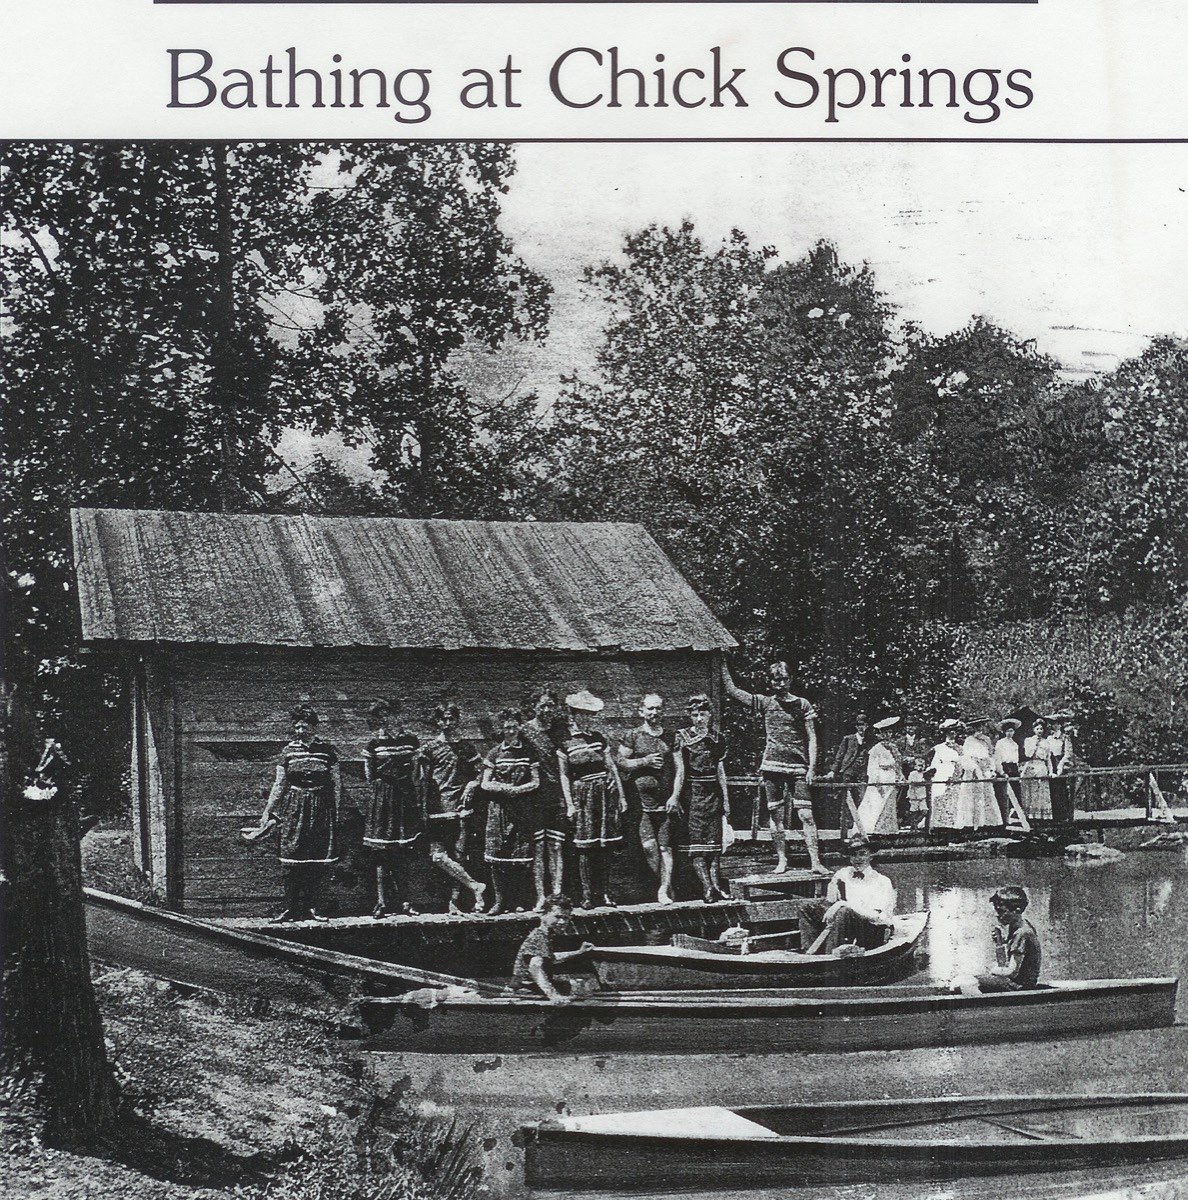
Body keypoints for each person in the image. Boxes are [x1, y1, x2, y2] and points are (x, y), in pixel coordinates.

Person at [721, 660, 824, 875]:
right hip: (771, 766)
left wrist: (812, 767)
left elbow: (812, 738)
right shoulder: (765, 703)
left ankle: (815, 861)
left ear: (791, 679)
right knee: (775, 817)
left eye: (784, 679)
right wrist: (721, 659)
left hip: (798, 767)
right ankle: (782, 860)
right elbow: (732, 690)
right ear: (771, 681)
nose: (781, 683)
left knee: (806, 815)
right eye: (776, 680)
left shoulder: (802, 704)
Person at [256, 705, 340, 923]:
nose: (300, 731)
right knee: (291, 856)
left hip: (320, 807)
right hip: (294, 807)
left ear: (314, 726)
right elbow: (279, 784)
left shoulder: (327, 751)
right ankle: (290, 908)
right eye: (297, 727)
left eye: (304, 726)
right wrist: (268, 811)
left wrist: (335, 811)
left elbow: (336, 784)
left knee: (316, 858)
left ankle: (314, 908)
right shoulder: (288, 751)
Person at [559, 690, 627, 910]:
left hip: (604, 794)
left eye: (589, 715)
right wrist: (569, 803)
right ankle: (588, 895)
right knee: (585, 846)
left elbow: (611, 767)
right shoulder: (566, 742)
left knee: (605, 844)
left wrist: (621, 795)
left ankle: (605, 892)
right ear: (574, 715)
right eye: (582, 714)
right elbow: (564, 775)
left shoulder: (599, 738)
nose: (586, 718)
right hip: (582, 795)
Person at [419, 704, 488, 915]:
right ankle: (476, 886)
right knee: (438, 857)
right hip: (437, 809)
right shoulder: (429, 749)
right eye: (443, 719)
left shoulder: (466, 748)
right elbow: (422, 781)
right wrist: (422, 807)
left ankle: (454, 903)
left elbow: (482, 771)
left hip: (461, 810)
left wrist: (472, 784)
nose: (448, 723)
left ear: (457, 721)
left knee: (458, 856)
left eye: (451, 719)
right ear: (437, 722)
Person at [361, 699, 423, 918]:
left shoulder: (411, 741)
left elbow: (416, 772)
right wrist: (383, 791)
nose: (387, 721)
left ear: (399, 717)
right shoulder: (374, 743)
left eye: (391, 716)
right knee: (381, 853)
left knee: (404, 852)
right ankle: (381, 903)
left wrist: (411, 794)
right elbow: (369, 775)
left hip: (404, 798)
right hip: (383, 798)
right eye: (382, 717)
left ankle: (407, 902)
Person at [617, 693, 679, 905]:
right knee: (649, 847)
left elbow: (680, 769)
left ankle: (663, 889)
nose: (654, 713)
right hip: (641, 803)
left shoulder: (671, 737)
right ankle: (666, 884)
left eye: (658, 708)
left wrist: (675, 796)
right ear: (641, 711)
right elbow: (620, 761)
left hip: (666, 802)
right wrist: (644, 761)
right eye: (650, 709)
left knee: (665, 847)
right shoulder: (633, 736)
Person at [672, 693, 731, 904]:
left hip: (713, 793)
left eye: (703, 714)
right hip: (692, 794)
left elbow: (721, 771)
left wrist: (726, 799)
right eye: (695, 715)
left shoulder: (718, 738)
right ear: (690, 715)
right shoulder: (682, 737)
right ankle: (707, 888)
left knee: (714, 847)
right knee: (696, 846)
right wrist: (676, 797)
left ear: (709, 715)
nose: (699, 719)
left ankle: (716, 887)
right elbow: (680, 771)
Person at [482, 707, 541, 915]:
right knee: (497, 857)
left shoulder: (529, 752)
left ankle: (518, 901)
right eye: (506, 728)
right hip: (499, 809)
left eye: (514, 727)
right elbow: (484, 784)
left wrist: (519, 790)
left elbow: (536, 782)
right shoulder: (495, 752)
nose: (510, 731)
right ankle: (499, 902)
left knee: (521, 857)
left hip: (522, 808)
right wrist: (503, 788)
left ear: (519, 727)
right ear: (501, 729)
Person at [798, 836, 896, 954]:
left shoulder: (882, 881)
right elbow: (831, 900)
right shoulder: (843, 874)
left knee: (844, 911)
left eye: (862, 854)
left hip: (873, 929)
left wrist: (842, 904)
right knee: (806, 907)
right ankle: (810, 952)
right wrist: (834, 886)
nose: (858, 858)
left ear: (871, 856)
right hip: (847, 923)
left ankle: (830, 956)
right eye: (854, 854)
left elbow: (877, 916)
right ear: (850, 858)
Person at [519, 690, 570, 906]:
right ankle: (540, 896)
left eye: (551, 706)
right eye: (543, 706)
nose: (547, 710)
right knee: (538, 847)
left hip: (556, 796)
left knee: (556, 846)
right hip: (534, 798)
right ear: (533, 707)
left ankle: (556, 894)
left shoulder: (560, 732)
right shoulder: (524, 732)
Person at [512, 896, 594, 1003]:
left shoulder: (544, 935)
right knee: (581, 989)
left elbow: (551, 958)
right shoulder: (538, 937)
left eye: (566, 918)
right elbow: (534, 967)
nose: (562, 922)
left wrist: (579, 952)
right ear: (543, 915)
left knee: (580, 985)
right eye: (557, 917)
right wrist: (554, 996)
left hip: (532, 986)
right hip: (526, 989)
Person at [975, 885, 1042, 993]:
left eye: (1001, 911)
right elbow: (1004, 965)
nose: (997, 915)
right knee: (962, 982)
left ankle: (982, 1007)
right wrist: (999, 943)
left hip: (1019, 987)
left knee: (964, 983)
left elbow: (1012, 972)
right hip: (1012, 983)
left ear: (1017, 909)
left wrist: (992, 970)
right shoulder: (1017, 927)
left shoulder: (1022, 933)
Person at [856, 717, 904, 835]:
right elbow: (872, 769)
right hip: (881, 778)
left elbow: (897, 763)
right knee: (876, 802)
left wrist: (900, 775)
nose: (889, 734)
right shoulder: (876, 749)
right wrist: (877, 783)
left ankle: (886, 829)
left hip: (891, 778)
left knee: (889, 803)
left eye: (890, 732)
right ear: (881, 734)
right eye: (886, 732)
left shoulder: (893, 747)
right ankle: (869, 828)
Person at [827, 712, 872, 835]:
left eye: (863, 725)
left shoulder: (870, 740)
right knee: (847, 798)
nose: (860, 727)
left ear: (867, 726)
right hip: (849, 771)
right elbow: (839, 755)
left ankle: (860, 826)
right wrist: (833, 770)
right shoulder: (848, 739)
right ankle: (846, 825)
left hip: (863, 773)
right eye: (858, 725)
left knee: (863, 798)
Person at [960, 719, 1004, 830]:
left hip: (984, 770)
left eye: (982, 728)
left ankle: (986, 823)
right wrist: (975, 766)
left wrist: (990, 768)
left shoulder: (986, 740)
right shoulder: (969, 740)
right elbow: (966, 757)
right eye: (977, 728)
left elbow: (990, 755)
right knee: (973, 796)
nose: (980, 730)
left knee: (987, 795)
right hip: (973, 771)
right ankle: (971, 824)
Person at [926, 719, 967, 831]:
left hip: (955, 775)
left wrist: (956, 775)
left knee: (954, 801)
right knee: (939, 798)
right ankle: (938, 827)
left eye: (954, 731)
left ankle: (952, 828)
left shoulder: (961, 748)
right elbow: (935, 763)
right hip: (941, 774)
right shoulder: (939, 748)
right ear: (945, 732)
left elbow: (962, 764)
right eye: (950, 731)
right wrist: (929, 770)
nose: (952, 733)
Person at [992, 718, 1025, 827]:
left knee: (1016, 793)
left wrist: (1018, 769)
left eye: (1011, 731)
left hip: (1014, 769)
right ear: (1004, 732)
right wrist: (1001, 772)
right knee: (1003, 795)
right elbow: (997, 759)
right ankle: (1003, 820)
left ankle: (1014, 817)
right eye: (1007, 731)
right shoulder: (1000, 743)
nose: (1010, 733)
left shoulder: (1015, 744)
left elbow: (1016, 759)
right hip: (1005, 768)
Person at [1020, 717, 1054, 821]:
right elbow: (1028, 754)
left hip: (1042, 766)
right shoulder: (1029, 740)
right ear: (1034, 730)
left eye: (1041, 729)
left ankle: (1042, 816)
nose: (1039, 731)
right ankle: (1031, 815)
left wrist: (1051, 771)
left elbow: (1048, 758)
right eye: (1037, 729)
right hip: (1032, 765)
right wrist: (1035, 744)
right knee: (1032, 790)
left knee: (1042, 790)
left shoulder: (1046, 742)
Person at [899, 718, 930, 830]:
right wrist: (904, 759)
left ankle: (917, 822)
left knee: (921, 796)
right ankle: (903, 820)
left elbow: (926, 754)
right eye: (908, 726)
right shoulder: (900, 741)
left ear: (916, 727)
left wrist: (915, 758)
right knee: (904, 796)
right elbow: (897, 756)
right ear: (905, 728)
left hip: (919, 772)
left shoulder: (921, 741)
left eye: (912, 725)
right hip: (905, 772)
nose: (910, 728)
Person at [1046, 715, 1074, 824]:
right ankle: (1053, 816)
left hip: (1060, 762)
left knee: (1060, 789)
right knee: (1051, 789)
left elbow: (1068, 753)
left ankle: (1063, 816)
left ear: (1060, 725)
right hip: (1051, 762)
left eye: (1057, 724)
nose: (1055, 726)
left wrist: (1060, 765)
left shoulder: (1065, 738)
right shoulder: (1049, 738)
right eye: (1053, 724)